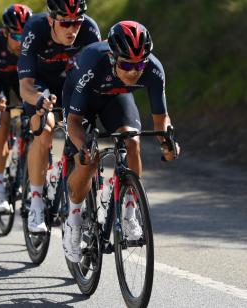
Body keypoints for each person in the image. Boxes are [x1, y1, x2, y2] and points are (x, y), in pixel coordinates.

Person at [62, 21, 181, 262]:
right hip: (81, 103)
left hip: (115, 99)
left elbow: (161, 118)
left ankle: (128, 210)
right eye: (126, 64)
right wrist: (83, 147)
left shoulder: (154, 69)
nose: (134, 71)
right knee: (88, 160)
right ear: (113, 57)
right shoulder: (93, 64)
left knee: (133, 140)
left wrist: (168, 141)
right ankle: (73, 220)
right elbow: (74, 120)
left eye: (139, 64)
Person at [17, 0, 100, 233]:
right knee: (45, 130)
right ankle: (35, 202)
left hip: (71, 85)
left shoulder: (90, 30)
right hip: (40, 86)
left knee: (83, 137)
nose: (72, 29)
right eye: (66, 23)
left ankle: (78, 205)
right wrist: (40, 101)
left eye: (77, 22)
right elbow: (25, 86)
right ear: (51, 19)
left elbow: (99, 72)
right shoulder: (35, 29)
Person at [0, 4, 32, 214]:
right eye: (16, 37)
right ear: (5, 32)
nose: (21, 43)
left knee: (35, 124)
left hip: (22, 84)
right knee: (2, 122)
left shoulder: (33, 44)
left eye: (25, 37)